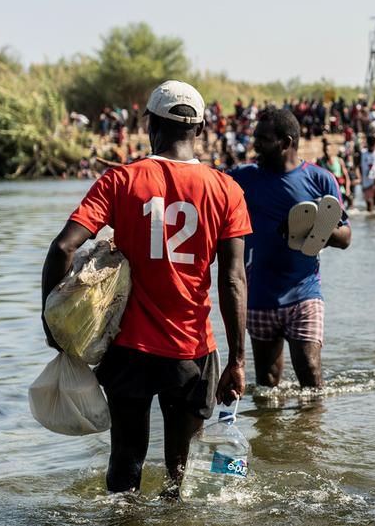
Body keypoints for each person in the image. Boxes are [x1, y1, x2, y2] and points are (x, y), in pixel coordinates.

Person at [41, 80, 251, 493]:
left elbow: (63, 247)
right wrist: (238, 360)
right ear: (202, 129)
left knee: (125, 463)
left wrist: (54, 326)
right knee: (181, 476)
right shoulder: (227, 189)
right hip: (191, 350)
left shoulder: (120, 180)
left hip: (129, 350)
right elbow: (232, 279)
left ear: (150, 124)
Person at [230, 109, 351, 389]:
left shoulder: (320, 180)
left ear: (286, 142)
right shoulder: (242, 177)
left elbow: (345, 237)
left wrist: (314, 228)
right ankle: (271, 434)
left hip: (305, 293)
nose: (255, 144)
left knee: (311, 378)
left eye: (262, 139)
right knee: (267, 385)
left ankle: (310, 434)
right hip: (259, 294)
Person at [317, 140, 353, 209]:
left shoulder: (339, 160)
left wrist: (348, 190)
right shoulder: (321, 162)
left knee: (340, 211)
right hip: (327, 191)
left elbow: (346, 177)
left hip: (340, 190)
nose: (326, 152)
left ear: (332, 150)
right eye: (325, 150)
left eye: (328, 150)